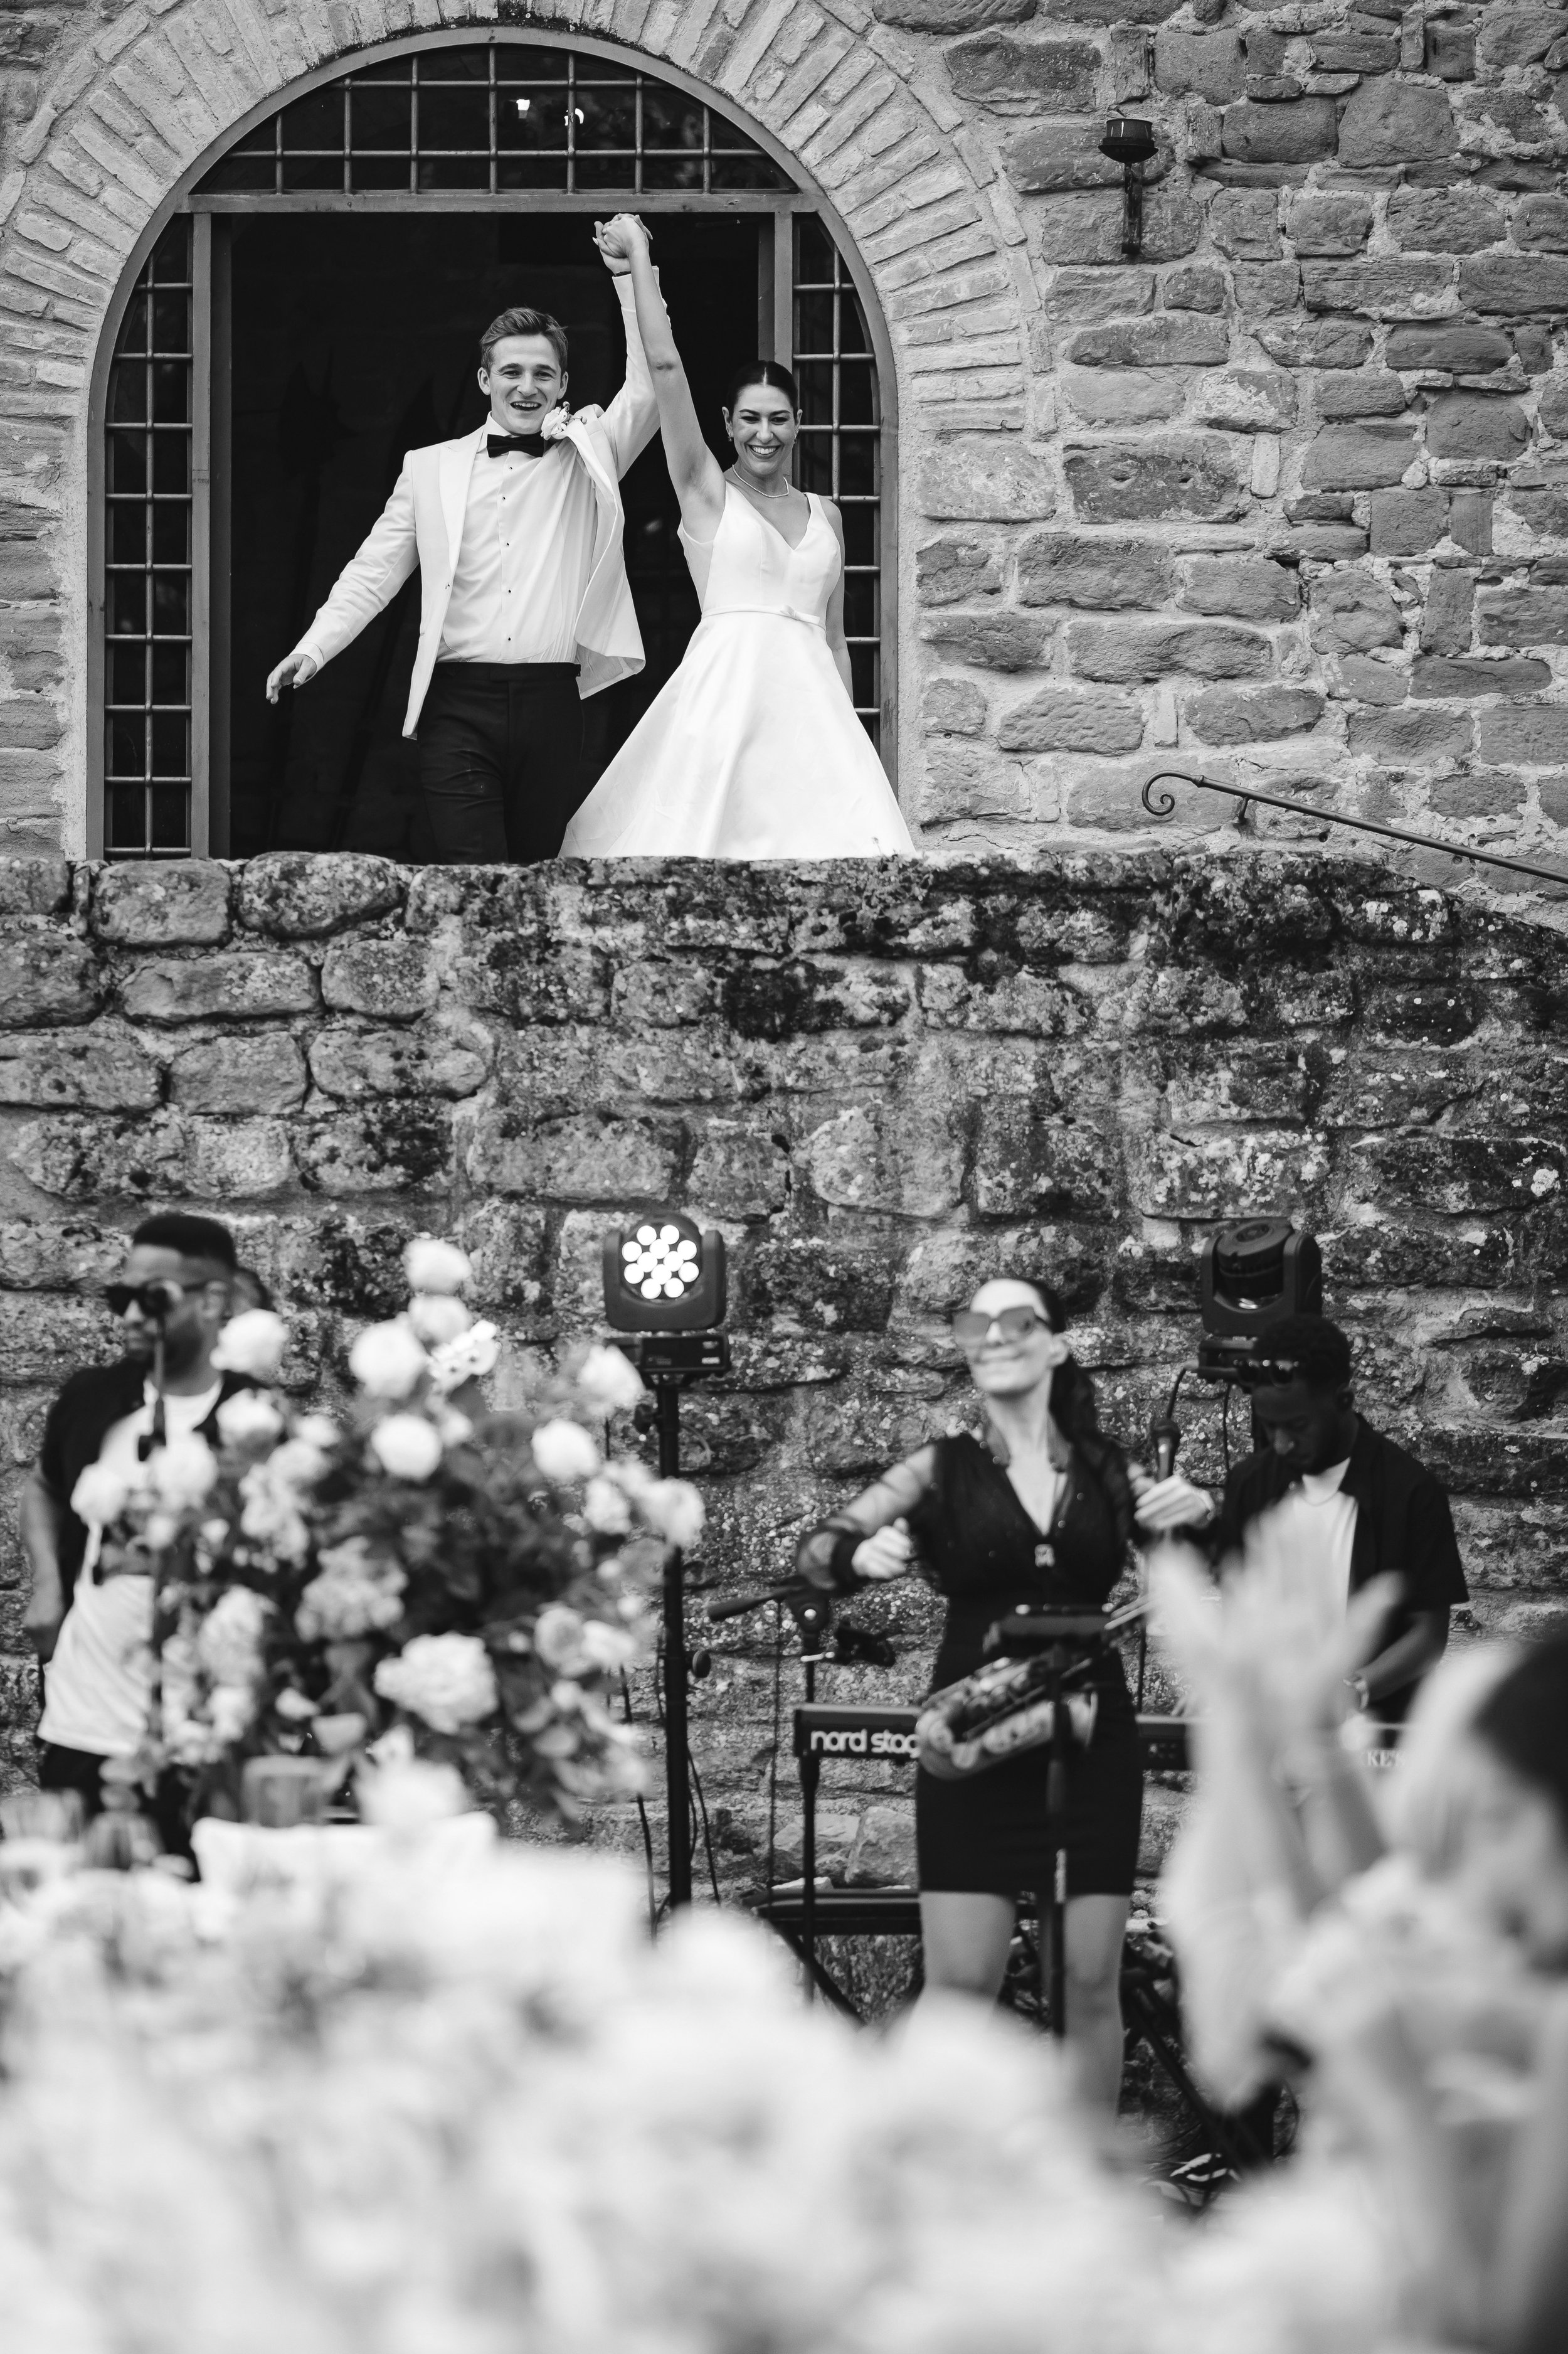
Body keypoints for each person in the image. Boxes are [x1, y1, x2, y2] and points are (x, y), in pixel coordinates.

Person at [795, 1277, 1173, 2107]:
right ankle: (948, 2192)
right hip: (977, 1728)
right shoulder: (938, 1471)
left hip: (1088, 1734)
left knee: (1086, 1982)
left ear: (1058, 1343)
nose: (994, 1335)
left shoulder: (1108, 1471)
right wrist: (856, 1560)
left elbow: (1193, 1557)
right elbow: (819, 1551)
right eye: (977, 1322)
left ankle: (1081, 2186)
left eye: (1017, 1320)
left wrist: (1189, 1526)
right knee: (963, 1985)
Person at [264, 232, 657, 863]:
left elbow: (649, 388)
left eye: (541, 374)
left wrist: (631, 274)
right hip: (457, 706)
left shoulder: (593, 455)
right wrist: (314, 648)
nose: (525, 387)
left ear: (562, 384)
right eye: (511, 372)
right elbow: (374, 573)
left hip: (553, 703)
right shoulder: (428, 469)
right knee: (474, 878)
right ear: (484, 379)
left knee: (534, 882)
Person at [559, 213, 914, 859]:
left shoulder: (826, 515)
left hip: (813, 729)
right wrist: (638, 261)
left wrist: (850, 742)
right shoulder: (704, 491)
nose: (764, 434)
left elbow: (835, 642)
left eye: (779, 419)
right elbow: (665, 368)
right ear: (726, 422)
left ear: (798, 423)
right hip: (725, 708)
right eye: (749, 418)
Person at [19, 1213, 253, 1823]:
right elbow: (43, 1487)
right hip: (84, 1727)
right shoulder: (93, 1397)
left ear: (213, 1300)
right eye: (123, 1296)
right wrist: (47, 1584)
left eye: (153, 1297)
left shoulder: (254, 1421)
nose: (129, 1315)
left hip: (206, 1738)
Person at [1140, 1313, 1468, 1726]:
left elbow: (1428, 1636)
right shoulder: (1250, 1482)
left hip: (1373, 1729)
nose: (1281, 1444)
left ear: (1343, 1401)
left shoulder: (1411, 1492)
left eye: (1296, 1426)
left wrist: (1352, 1692)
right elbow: (1241, 1610)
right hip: (1271, 1729)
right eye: (1269, 1426)